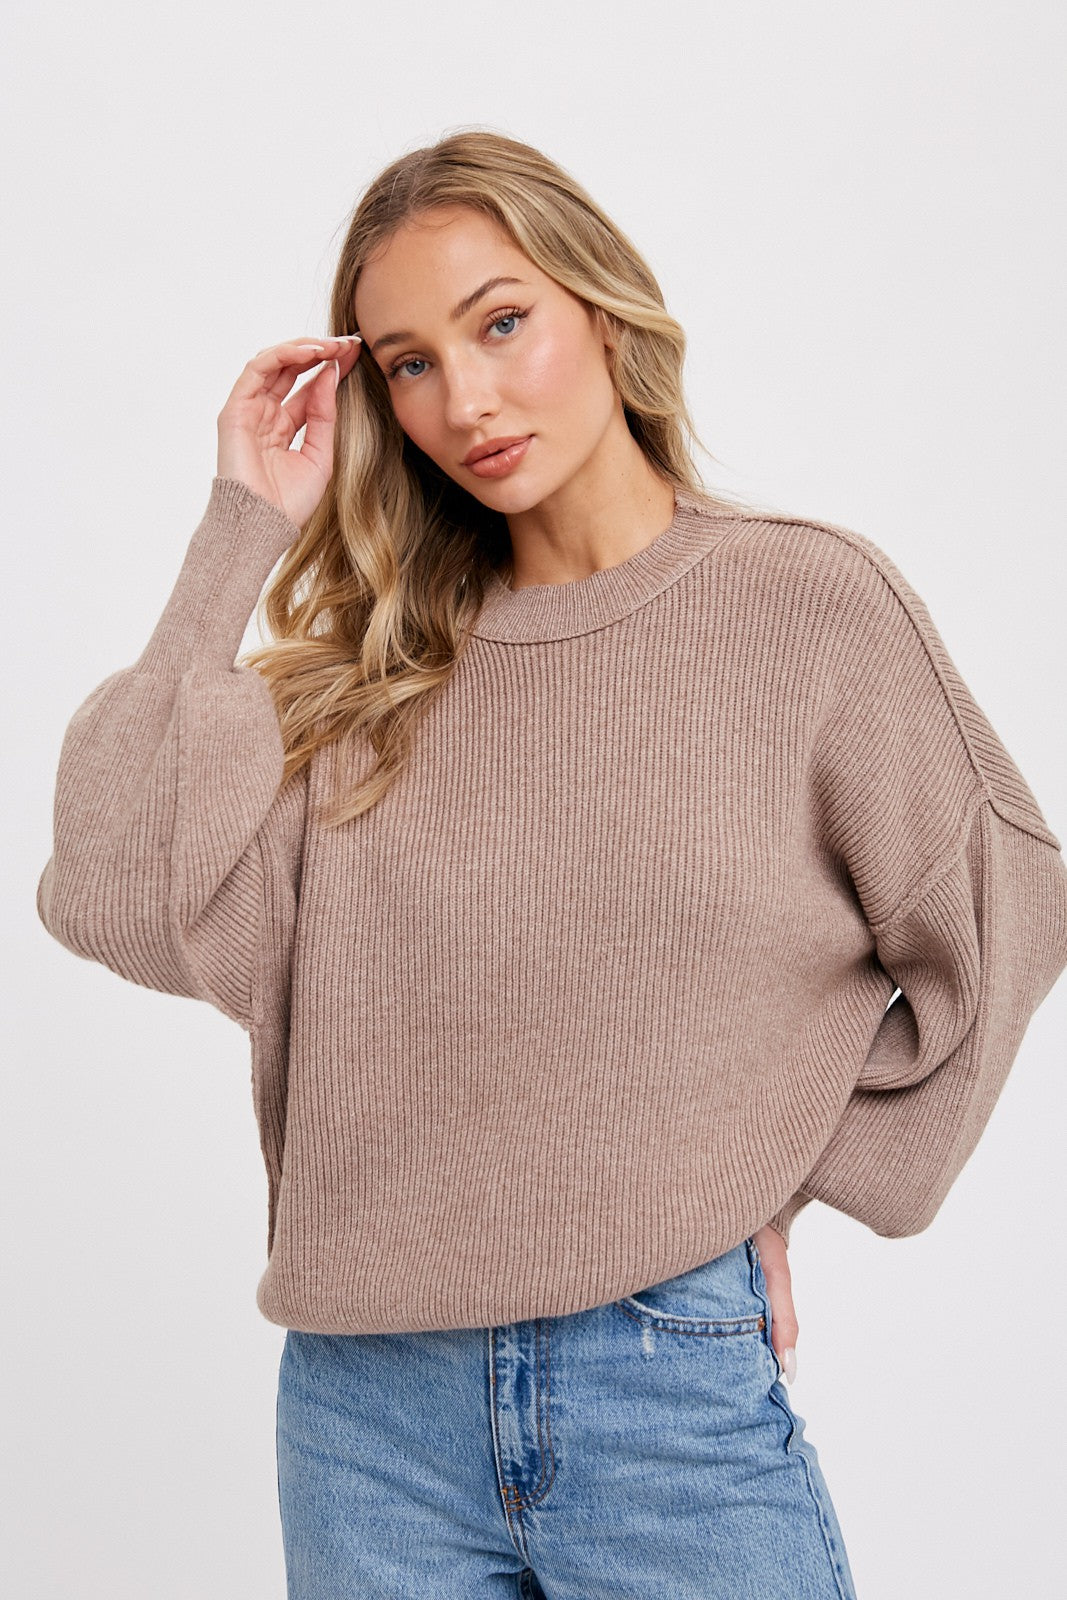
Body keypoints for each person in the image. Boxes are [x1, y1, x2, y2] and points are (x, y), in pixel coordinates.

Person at [36, 130, 1067, 1599]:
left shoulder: (804, 607)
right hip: (368, 1422)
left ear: (604, 308)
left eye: (502, 322)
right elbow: (111, 895)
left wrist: (790, 1187)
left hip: (667, 1380)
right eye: (410, 363)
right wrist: (239, 532)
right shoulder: (364, 683)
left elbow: (1003, 905)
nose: (464, 399)